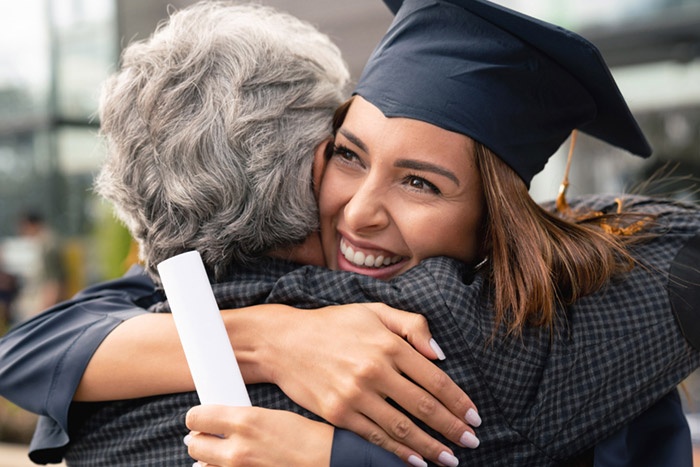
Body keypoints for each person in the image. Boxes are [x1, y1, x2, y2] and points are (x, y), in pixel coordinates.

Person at [0, 0, 698, 466]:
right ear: (306, 163)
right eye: (349, 155)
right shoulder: (222, 305)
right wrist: (274, 337)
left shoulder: (573, 336)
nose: (361, 211)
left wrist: (332, 454)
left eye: (421, 182)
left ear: (496, 221)